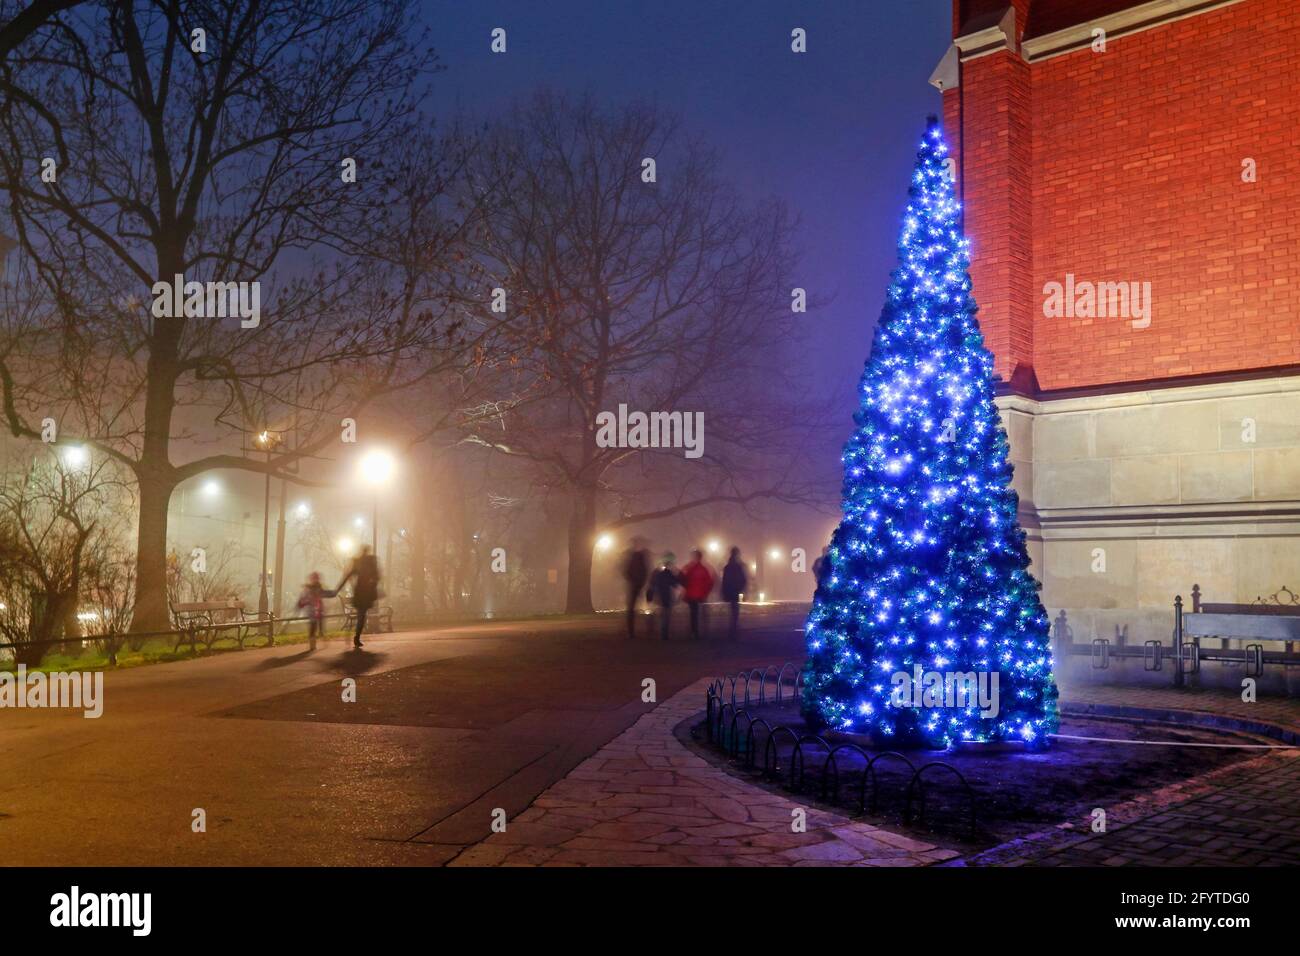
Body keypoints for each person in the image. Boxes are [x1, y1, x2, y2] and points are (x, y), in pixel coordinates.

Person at [337, 545, 381, 648]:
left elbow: (348, 575)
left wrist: (339, 587)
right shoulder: (370, 561)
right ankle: (357, 637)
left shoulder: (358, 562)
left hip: (359, 592)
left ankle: (357, 637)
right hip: (366, 592)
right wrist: (373, 583)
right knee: (362, 615)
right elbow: (377, 575)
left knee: (361, 615)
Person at [678, 548, 715, 640]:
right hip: (700, 595)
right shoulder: (704, 569)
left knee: (693, 614)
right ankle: (698, 632)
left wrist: (685, 589)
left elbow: (681, 577)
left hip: (690, 595)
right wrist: (705, 593)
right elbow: (709, 582)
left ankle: (693, 632)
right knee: (698, 613)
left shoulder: (689, 567)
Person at [296, 572, 337, 650]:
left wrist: (333, 593)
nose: (316, 580)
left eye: (317, 578)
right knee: (313, 625)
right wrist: (303, 602)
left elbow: (324, 594)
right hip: (312, 609)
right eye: (315, 578)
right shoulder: (309, 588)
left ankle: (317, 636)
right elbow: (304, 598)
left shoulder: (317, 587)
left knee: (316, 623)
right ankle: (313, 643)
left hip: (317, 609)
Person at [620, 537, 651, 639]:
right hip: (635, 584)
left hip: (637, 583)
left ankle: (637, 630)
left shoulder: (639, 555)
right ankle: (631, 631)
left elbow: (644, 570)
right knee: (631, 608)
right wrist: (634, 580)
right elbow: (627, 570)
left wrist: (640, 581)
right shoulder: (636, 555)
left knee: (632, 608)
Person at [646, 553, 680, 641]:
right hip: (667, 596)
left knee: (661, 615)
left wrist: (649, 597)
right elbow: (675, 583)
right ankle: (665, 634)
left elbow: (652, 585)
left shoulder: (657, 573)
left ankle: (658, 631)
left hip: (659, 597)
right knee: (666, 615)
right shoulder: (669, 573)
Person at [720, 547, 749, 640]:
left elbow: (724, 581)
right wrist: (743, 590)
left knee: (733, 610)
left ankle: (732, 629)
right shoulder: (739, 566)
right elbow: (743, 580)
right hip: (736, 591)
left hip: (729, 591)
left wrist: (724, 592)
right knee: (735, 611)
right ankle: (734, 629)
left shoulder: (727, 567)